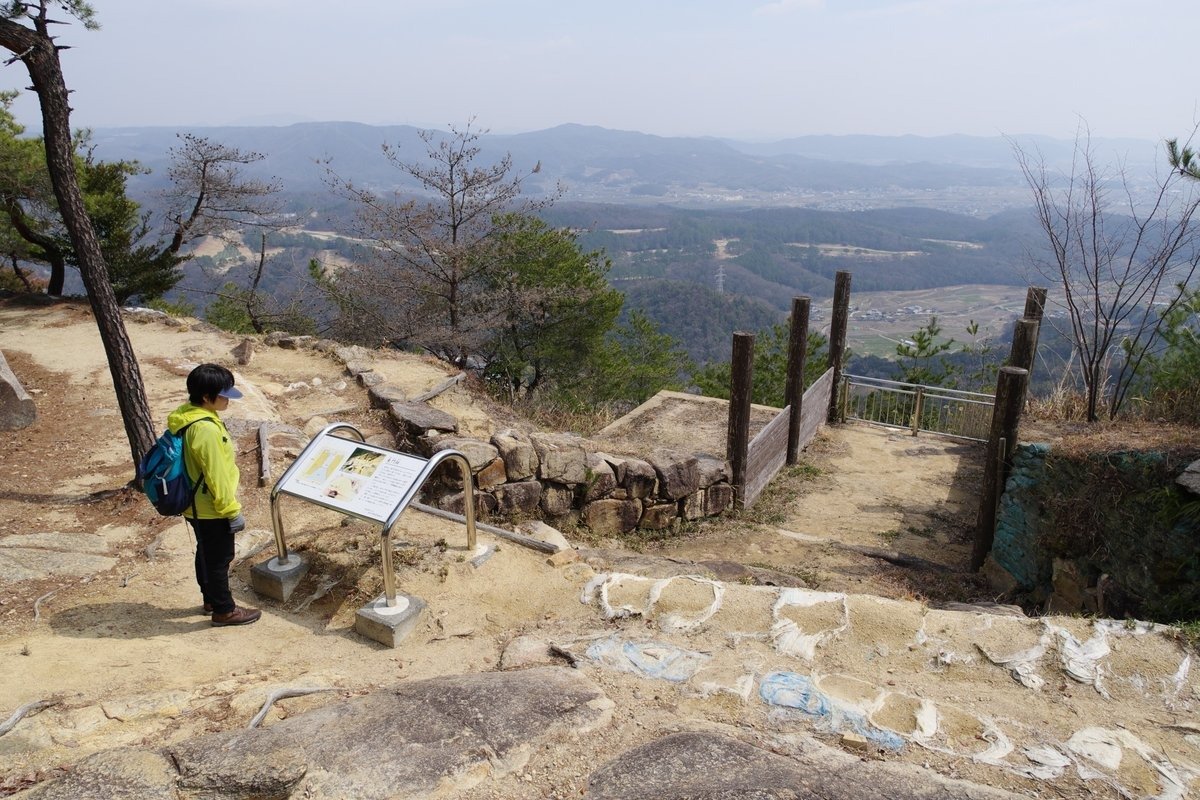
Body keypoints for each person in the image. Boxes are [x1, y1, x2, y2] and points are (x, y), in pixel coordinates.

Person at [167, 363, 261, 627]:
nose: (228, 399)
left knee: (206, 553)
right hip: (211, 507)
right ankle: (224, 611)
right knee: (220, 558)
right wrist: (231, 511)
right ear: (207, 397)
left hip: (195, 504)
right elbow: (216, 475)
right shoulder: (206, 429)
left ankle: (211, 599)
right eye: (223, 395)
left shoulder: (188, 415)